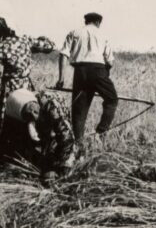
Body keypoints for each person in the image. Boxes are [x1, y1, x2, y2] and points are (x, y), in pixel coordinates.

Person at [56, 12, 118, 142]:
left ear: (86, 21)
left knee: (79, 111)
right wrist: (104, 76)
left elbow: (63, 55)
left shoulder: (74, 32)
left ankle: (78, 143)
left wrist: (61, 79)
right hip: (98, 71)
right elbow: (110, 62)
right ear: (98, 23)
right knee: (112, 100)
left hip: (80, 72)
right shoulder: (103, 35)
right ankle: (100, 132)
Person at [0, 89, 76, 178]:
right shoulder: (13, 110)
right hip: (33, 122)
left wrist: (59, 170)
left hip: (54, 119)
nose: (33, 114)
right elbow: (5, 138)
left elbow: (67, 139)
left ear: (33, 101)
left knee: (56, 147)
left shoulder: (51, 106)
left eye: (34, 110)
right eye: (28, 114)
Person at [0, 17, 55, 133]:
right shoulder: (25, 40)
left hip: (9, 88)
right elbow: (50, 46)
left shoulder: (2, 47)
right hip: (26, 86)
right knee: (27, 113)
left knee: (8, 118)